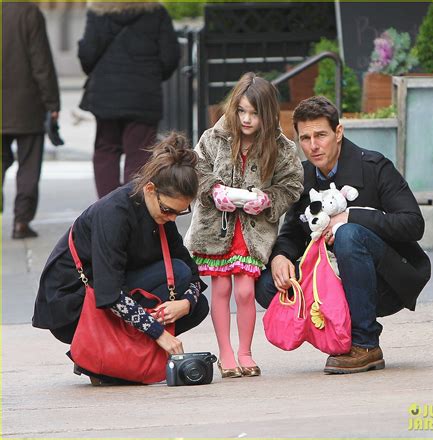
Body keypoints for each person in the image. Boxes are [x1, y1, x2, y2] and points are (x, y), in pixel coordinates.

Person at [255, 96, 431, 374]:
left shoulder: (375, 166)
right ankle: (337, 334)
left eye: (321, 135)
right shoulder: (302, 176)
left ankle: (366, 344)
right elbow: (291, 233)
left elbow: (413, 224)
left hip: (386, 283)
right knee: (268, 285)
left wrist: (351, 216)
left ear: (338, 133)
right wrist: (280, 257)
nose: (313, 145)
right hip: (332, 282)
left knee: (349, 234)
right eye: (305, 138)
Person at [32, 132, 209, 384]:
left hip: (113, 287)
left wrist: (186, 304)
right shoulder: (114, 213)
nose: (172, 218)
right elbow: (110, 292)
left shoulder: (161, 211)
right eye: (169, 210)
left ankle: (119, 358)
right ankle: (99, 358)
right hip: (72, 303)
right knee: (177, 276)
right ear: (150, 189)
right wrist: (159, 333)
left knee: (197, 303)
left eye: (181, 213)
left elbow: (192, 274)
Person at [185, 72, 304, 378]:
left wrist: (267, 200)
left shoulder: (280, 147)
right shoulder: (213, 137)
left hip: (253, 231)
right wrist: (213, 191)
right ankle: (226, 352)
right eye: (241, 111)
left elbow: (291, 185)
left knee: (245, 292)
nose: (247, 120)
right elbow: (196, 169)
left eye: (254, 114)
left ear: (267, 114)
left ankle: (245, 351)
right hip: (216, 228)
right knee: (221, 288)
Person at [77, 1, 180, 198]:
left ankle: (108, 208)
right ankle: (134, 206)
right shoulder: (156, 12)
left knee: (106, 150)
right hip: (143, 95)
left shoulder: (99, 12)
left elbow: (87, 56)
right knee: (140, 152)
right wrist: (152, 75)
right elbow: (171, 56)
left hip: (106, 95)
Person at [2, 1, 60, 239]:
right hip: (27, 104)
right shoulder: (29, 13)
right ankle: (21, 221)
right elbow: (41, 62)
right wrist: (52, 103)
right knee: (29, 165)